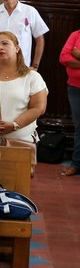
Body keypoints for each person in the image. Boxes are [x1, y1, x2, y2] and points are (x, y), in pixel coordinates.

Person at [0, 31, 48, 177]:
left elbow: (39, 108)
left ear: (17, 48)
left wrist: (14, 125)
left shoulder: (32, 77)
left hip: (18, 141)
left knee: (15, 184)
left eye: (5, 43)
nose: (0, 47)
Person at [60, 28, 80, 176]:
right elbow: (64, 58)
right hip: (75, 89)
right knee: (79, 127)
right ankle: (76, 164)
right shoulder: (76, 34)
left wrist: (78, 55)